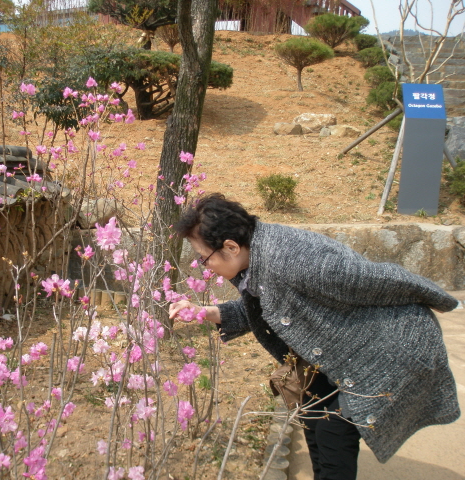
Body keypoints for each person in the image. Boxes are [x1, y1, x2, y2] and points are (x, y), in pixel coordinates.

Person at [168, 193, 460, 480]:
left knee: (333, 433)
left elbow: (373, 278)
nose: (203, 264)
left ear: (231, 247)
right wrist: (204, 312)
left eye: (203, 257)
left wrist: (444, 300)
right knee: (312, 415)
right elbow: (265, 308)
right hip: (338, 355)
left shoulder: (293, 260)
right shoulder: (257, 255)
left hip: (387, 348)